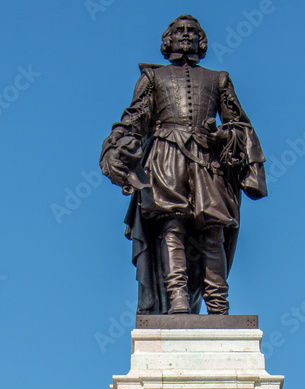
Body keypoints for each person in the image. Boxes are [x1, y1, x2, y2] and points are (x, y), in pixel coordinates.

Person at [100, 14, 267, 315]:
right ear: (169, 40)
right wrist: (118, 144)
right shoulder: (153, 78)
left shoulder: (219, 79)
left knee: (213, 229)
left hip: (207, 161)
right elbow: (135, 118)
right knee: (172, 226)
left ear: (201, 40)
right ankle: (177, 299)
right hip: (166, 156)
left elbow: (241, 125)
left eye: (193, 31)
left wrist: (224, 136)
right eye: (180, 31)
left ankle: (217, 303)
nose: (186, 35)